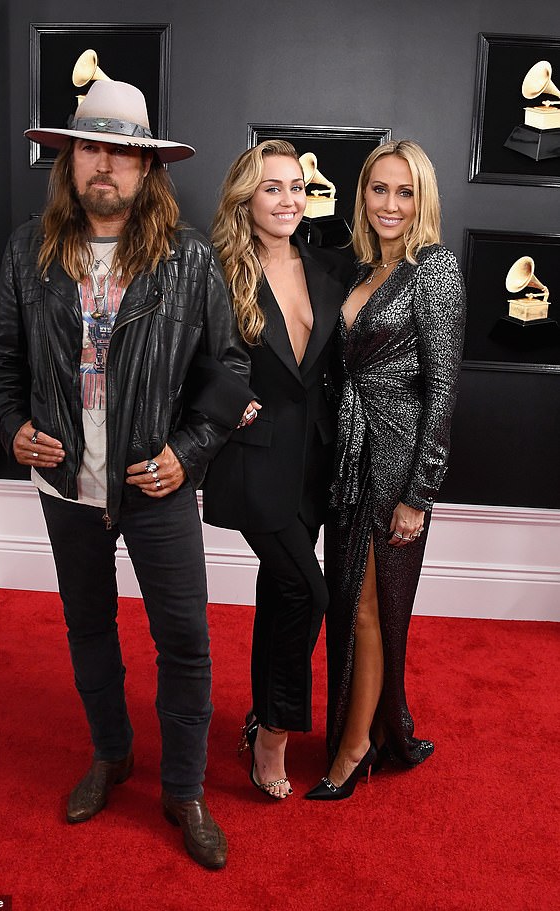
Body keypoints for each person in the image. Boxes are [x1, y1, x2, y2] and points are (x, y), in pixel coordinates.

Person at [0, 79, 252, 867]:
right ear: (68, 160)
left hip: (154, 485)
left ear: (147, 168)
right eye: (90, 148)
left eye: (123, 152)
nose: (106, 166)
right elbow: (2, 361)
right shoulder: (28, 250)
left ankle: (185, 785)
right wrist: (15, 428)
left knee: (186, 641)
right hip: (67, 488)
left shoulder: (189, 257)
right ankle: (111, 753)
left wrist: (187, 452)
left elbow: (229, 373)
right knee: (88, 628)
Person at [305, 139, 466, 801]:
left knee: (371, 608)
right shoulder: (360, 269)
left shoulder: (436, 269)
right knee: (348, 602)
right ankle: (372, 724)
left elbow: (444, 389)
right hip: (350, 457)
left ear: (421, 199)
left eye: (405, 192)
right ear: (362, 194)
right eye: (380, 189)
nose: (391, 204)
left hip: (397, 457)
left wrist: (419, 493)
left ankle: (355, 745)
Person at [202, 140, 352, 799]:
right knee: (310, 592)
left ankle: (262, 710)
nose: (289, 199)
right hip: (253, 459)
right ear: (245, 197)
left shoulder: (325, 265)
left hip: (313, 463)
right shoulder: (214, 268)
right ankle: (273, 734)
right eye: (272, 187)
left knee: (281, 594)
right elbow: (184, 355)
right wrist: (229, 402)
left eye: (298, 186)